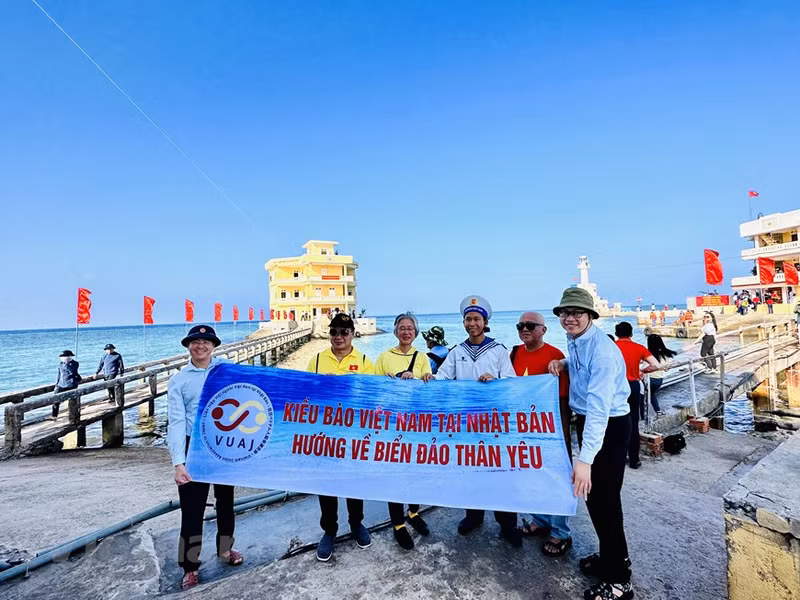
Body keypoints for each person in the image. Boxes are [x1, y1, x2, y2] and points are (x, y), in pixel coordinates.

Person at [547, 287, 634, 600]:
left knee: (606, 503)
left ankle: (620, 582)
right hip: (590, 423)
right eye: (565, 313)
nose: (570, 318)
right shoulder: (577, 340)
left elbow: (599, 410)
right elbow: (579, 366)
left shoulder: (602, 352)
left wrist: (584, 461)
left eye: (577, 313)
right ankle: (610, 558)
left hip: (608, 426)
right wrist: (564, 365)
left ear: (590, 316)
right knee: (596, 501)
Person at [430, 295, 520, 546]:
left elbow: (511, 384)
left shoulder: (499, 351)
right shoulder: (457, 351)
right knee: (470, 469)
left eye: (476, 319)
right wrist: (426, 379)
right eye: (468, 319)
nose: (472, 323)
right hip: (466, 423)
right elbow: (443, 378)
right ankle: (473, 515)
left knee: (501, 471)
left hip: (494, 424)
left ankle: (507, 522)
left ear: (485, 321)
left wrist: (496, 382)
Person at [167, 325, 242, 590]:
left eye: (206, 341)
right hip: (193, 446)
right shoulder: (179, 380)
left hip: (223, 443)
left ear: (214, 346)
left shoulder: (226, 370)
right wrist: (178, 463)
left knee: (226, 501)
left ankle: (225, 549)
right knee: (192, 509)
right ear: (188, 346)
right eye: (195, 342)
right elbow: (175, 423)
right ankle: (189, 567)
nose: (201, 346)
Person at [306, 312, 374, 561]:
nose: (338, 336)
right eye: (334, 331)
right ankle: (329, 531)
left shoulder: (366, 361)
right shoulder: (315, 362)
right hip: (325, 434)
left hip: (354, 433)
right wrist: (320, 386)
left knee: (355, 481)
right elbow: (305, 396)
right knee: (326, 484)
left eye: (344, 332)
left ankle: (357, 524)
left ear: (352, 334)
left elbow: (371, 397)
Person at [510, 312, 572, 557]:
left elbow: (564, 400)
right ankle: (539, 519)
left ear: (543, 330)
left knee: (557, 477)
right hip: (523, 429)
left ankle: (560, 533)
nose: (525, 329)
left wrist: (563, 437)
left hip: (551, 428)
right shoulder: (514, 353)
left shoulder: (555, 356)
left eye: (530, 325)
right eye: (520, 326)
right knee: (532, 475)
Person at [374, 313, 432, 550]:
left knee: (415, 470)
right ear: (395, 331)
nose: (406, 332)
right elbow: (374, 389)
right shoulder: (384, 357)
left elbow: (428, 385)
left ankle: (414, 512)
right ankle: (398, 524)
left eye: (410, 328)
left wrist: (420, 378)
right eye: (402, 328)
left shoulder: (422, 357)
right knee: (394, 472)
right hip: (391, 423)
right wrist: (388, 382)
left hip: (415, 423)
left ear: (415, 333)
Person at [614, 322, 661, 469]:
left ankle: (618, 458)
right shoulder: (638, 347)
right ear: (631, 334)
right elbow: (656, 365)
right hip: (633, 386)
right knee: (633, 423)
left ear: (616, 333)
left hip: (616, 387)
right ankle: (634, 459)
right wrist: (643, 372)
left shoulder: (611, 347)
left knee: (615, 422)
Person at [645, 334, 677, 418]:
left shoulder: (648, 354)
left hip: (648, 379)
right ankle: (658, 411)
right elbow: (668, 367)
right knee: (651, 394)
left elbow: (643, 367)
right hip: (659, 380)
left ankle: (643, 414)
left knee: (644, 396)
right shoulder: (665, 354)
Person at [53, 350, 81, 419]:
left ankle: (73, 415)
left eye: (65, 356)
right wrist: (56, 384)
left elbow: (72, 372)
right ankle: (54, 415)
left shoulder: (75, 363)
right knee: (55, 400)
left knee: (72, 400)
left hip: (71, 384)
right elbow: (59, 374)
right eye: (62, 357)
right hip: (61, 384)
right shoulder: (60, 364)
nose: (64, 358)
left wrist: (67, 364)